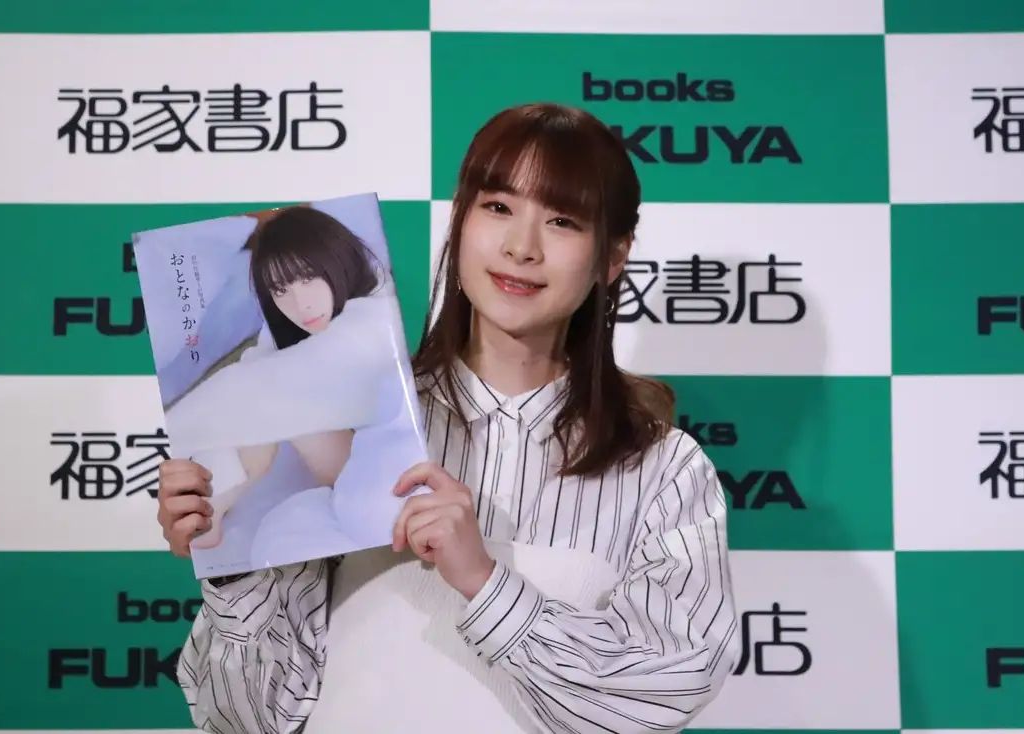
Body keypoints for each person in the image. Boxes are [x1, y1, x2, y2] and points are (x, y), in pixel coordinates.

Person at [157, 102, 739, 734]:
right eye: (498, 207)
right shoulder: (354, 421)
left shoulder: (664, 469)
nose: (521, 247)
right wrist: (234, 559)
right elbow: (246, 719)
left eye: (562, 220)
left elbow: (661, 696)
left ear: (612, 258)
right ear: (461, 222)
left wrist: (484, 585)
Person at [181, 205, 385, 551]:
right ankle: (213, 505)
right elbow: (254, 374)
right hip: (349, 462)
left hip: (384, 467)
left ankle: (214, 505)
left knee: (284, 398)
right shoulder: (284, 333)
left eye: (308, 278)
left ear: (335, 259)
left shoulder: (374, 309)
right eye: (280, 290)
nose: (300, 304)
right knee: (265, 394)